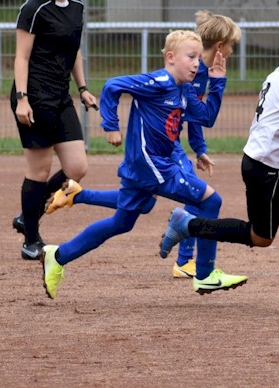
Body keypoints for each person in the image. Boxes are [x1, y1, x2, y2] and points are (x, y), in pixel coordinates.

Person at [159, 3, 279, 314]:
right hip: (266, 166)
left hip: (275, 161)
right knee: (260, 237)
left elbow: (274, 124)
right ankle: (189, 224)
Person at [41, 30, 248, 300]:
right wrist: (111, 126)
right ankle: (205, 274)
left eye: (199, 58)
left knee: (121, 223)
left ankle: (58, 255)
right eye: (191, 57)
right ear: (170, 58)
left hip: (149, 167)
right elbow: (112, 86)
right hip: (152, 166)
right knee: (210, 201)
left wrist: (217, 82)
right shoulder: (158, 81)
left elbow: (206, 117)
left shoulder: (184, 89)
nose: (197, 63)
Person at [10, 0, 98, 261]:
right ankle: (30, 240)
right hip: (34, 98)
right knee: (39, 170)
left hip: (61, 97)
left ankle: (28, 215)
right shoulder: (34, 8)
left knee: (77, 168)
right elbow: (21, 57)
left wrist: (83, 88)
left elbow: (74, 51)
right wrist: (22, 99)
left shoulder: (77, 7)